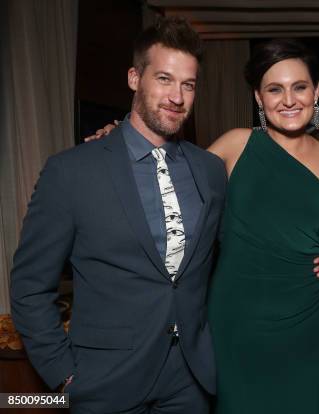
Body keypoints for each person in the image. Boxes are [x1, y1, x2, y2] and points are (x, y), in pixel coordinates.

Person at [10, 17, 225, 413]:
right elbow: (29, 285)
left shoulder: (210, 171)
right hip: (104, 383)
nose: (177, 96)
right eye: (164, 78)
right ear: (134, 78)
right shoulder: (72, 171)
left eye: (188, 84)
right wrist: (64, 374)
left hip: (189, 382)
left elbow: (227, 257)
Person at [206, 39, 319, 414]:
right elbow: (171, 187)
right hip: (237, 322)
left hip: (309, 324)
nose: (289, 100)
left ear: (315, 92)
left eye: (299, 87)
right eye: (274, 89)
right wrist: (122, 142)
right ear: (259, 99)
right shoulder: (236, 145)